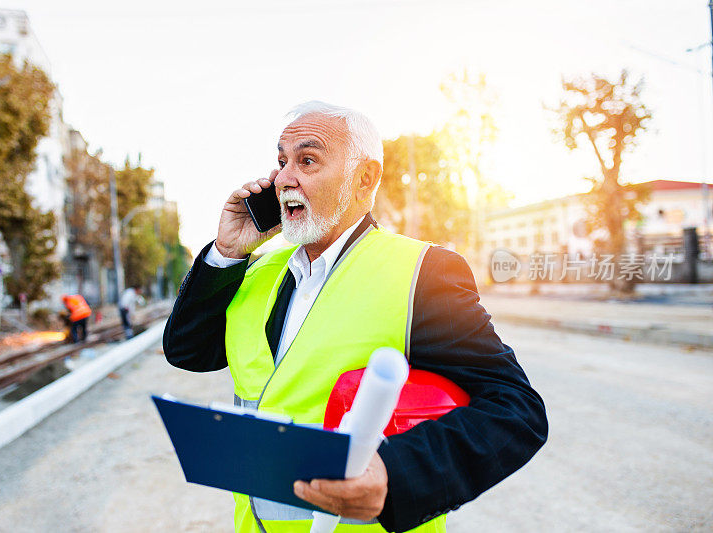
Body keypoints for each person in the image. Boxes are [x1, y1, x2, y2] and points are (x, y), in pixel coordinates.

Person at [163, 101, 548, 533]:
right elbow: (187, 351)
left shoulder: (423, 272)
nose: (284, 179)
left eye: (307, 161)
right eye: (281, 161)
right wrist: (226, 252)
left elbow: (515, 412)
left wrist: (394, 475)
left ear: (364, 178)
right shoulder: (259, 269)